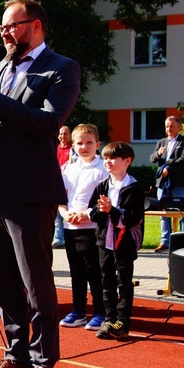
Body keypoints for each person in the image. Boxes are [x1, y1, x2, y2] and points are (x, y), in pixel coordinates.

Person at [0, 0, 80, 368]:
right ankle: (15, 356)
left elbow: (48, 123)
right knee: (2, 282)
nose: (4, 33)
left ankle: (44, 364)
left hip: (31, 193)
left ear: (35, 25)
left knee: (37, 284)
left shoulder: (61, 68)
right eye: (1, 27)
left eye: (11, 26)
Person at [88, 142, 145, 339]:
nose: (108, 162)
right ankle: (109, 317)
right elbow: (92, 212)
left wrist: (111, 210)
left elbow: (132, 218)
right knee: (106, 279)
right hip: (104, 240)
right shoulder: (102, 185)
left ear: (127, 161)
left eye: (112, 158)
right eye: (105, 158)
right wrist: (100, 211)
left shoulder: (133, 188)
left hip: (124, 242)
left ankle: (123, 321)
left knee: (123, 280)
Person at [58, 124, 108, 331]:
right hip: (71, 228)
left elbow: (106, 199)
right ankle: (78, 310)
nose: (84, 147)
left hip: (93, 228)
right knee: (76, 271)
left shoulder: (103, 168)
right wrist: (64, 214)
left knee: (94, 271)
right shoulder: (68, 169)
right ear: (73, 145)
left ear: (97, 144)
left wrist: (85, 214)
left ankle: (100, 311)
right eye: (79, 143)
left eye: (89, 143)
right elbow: (61, 199)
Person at [150, 115, 184, 252]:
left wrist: (169, 168)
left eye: (172, 126)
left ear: (178, 127)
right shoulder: (161, 142)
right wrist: (158, 153)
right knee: (164, 213)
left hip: (179, 183)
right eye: (167, 126)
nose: (169, 129)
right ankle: (165, 242)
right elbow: (152, 159)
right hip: (163, 184)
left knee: (182, 212)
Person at [53, 125, 75, 248]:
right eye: (61, 134)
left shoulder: (73, 149)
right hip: (57, 183)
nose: (63, 136)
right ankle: (58, 239)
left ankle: (70, 239)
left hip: (69, 184)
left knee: (69, 211)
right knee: (57, 214)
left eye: (65, 133)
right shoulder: (55, 149)